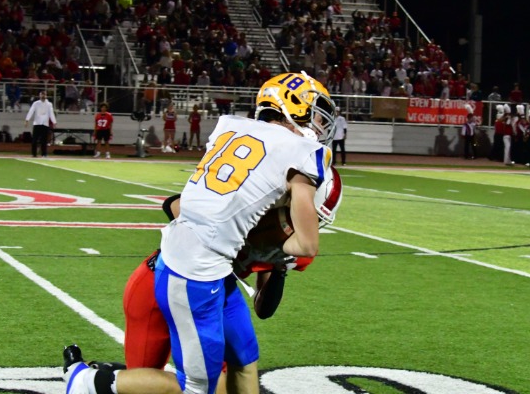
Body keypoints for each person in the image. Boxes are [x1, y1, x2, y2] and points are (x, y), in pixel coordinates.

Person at [63, 72, 337, 394]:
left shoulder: (232, 127)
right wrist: (276, 247)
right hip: (193, 272)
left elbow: (191, 204)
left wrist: (274, 261)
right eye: (317, 114)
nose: (320, 125)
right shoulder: (302, 154)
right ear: (295, 108)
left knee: (245, 359)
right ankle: (85, 382)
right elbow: (307, 244)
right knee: (197, 388)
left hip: (203, 269)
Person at [25, 90, 57, 158]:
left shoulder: (49, 104)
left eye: (44, 95)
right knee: (34, 140)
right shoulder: (36, 103)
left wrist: (54, 122)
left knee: (44, 141)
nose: (43, 96)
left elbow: (51, 113)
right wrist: (27, 120)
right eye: (42, 94)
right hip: (37, 123)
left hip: (45, 124)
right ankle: (34, 154)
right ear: (39, 95)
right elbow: (31, 111)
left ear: (46, 96)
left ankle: (44, 154)